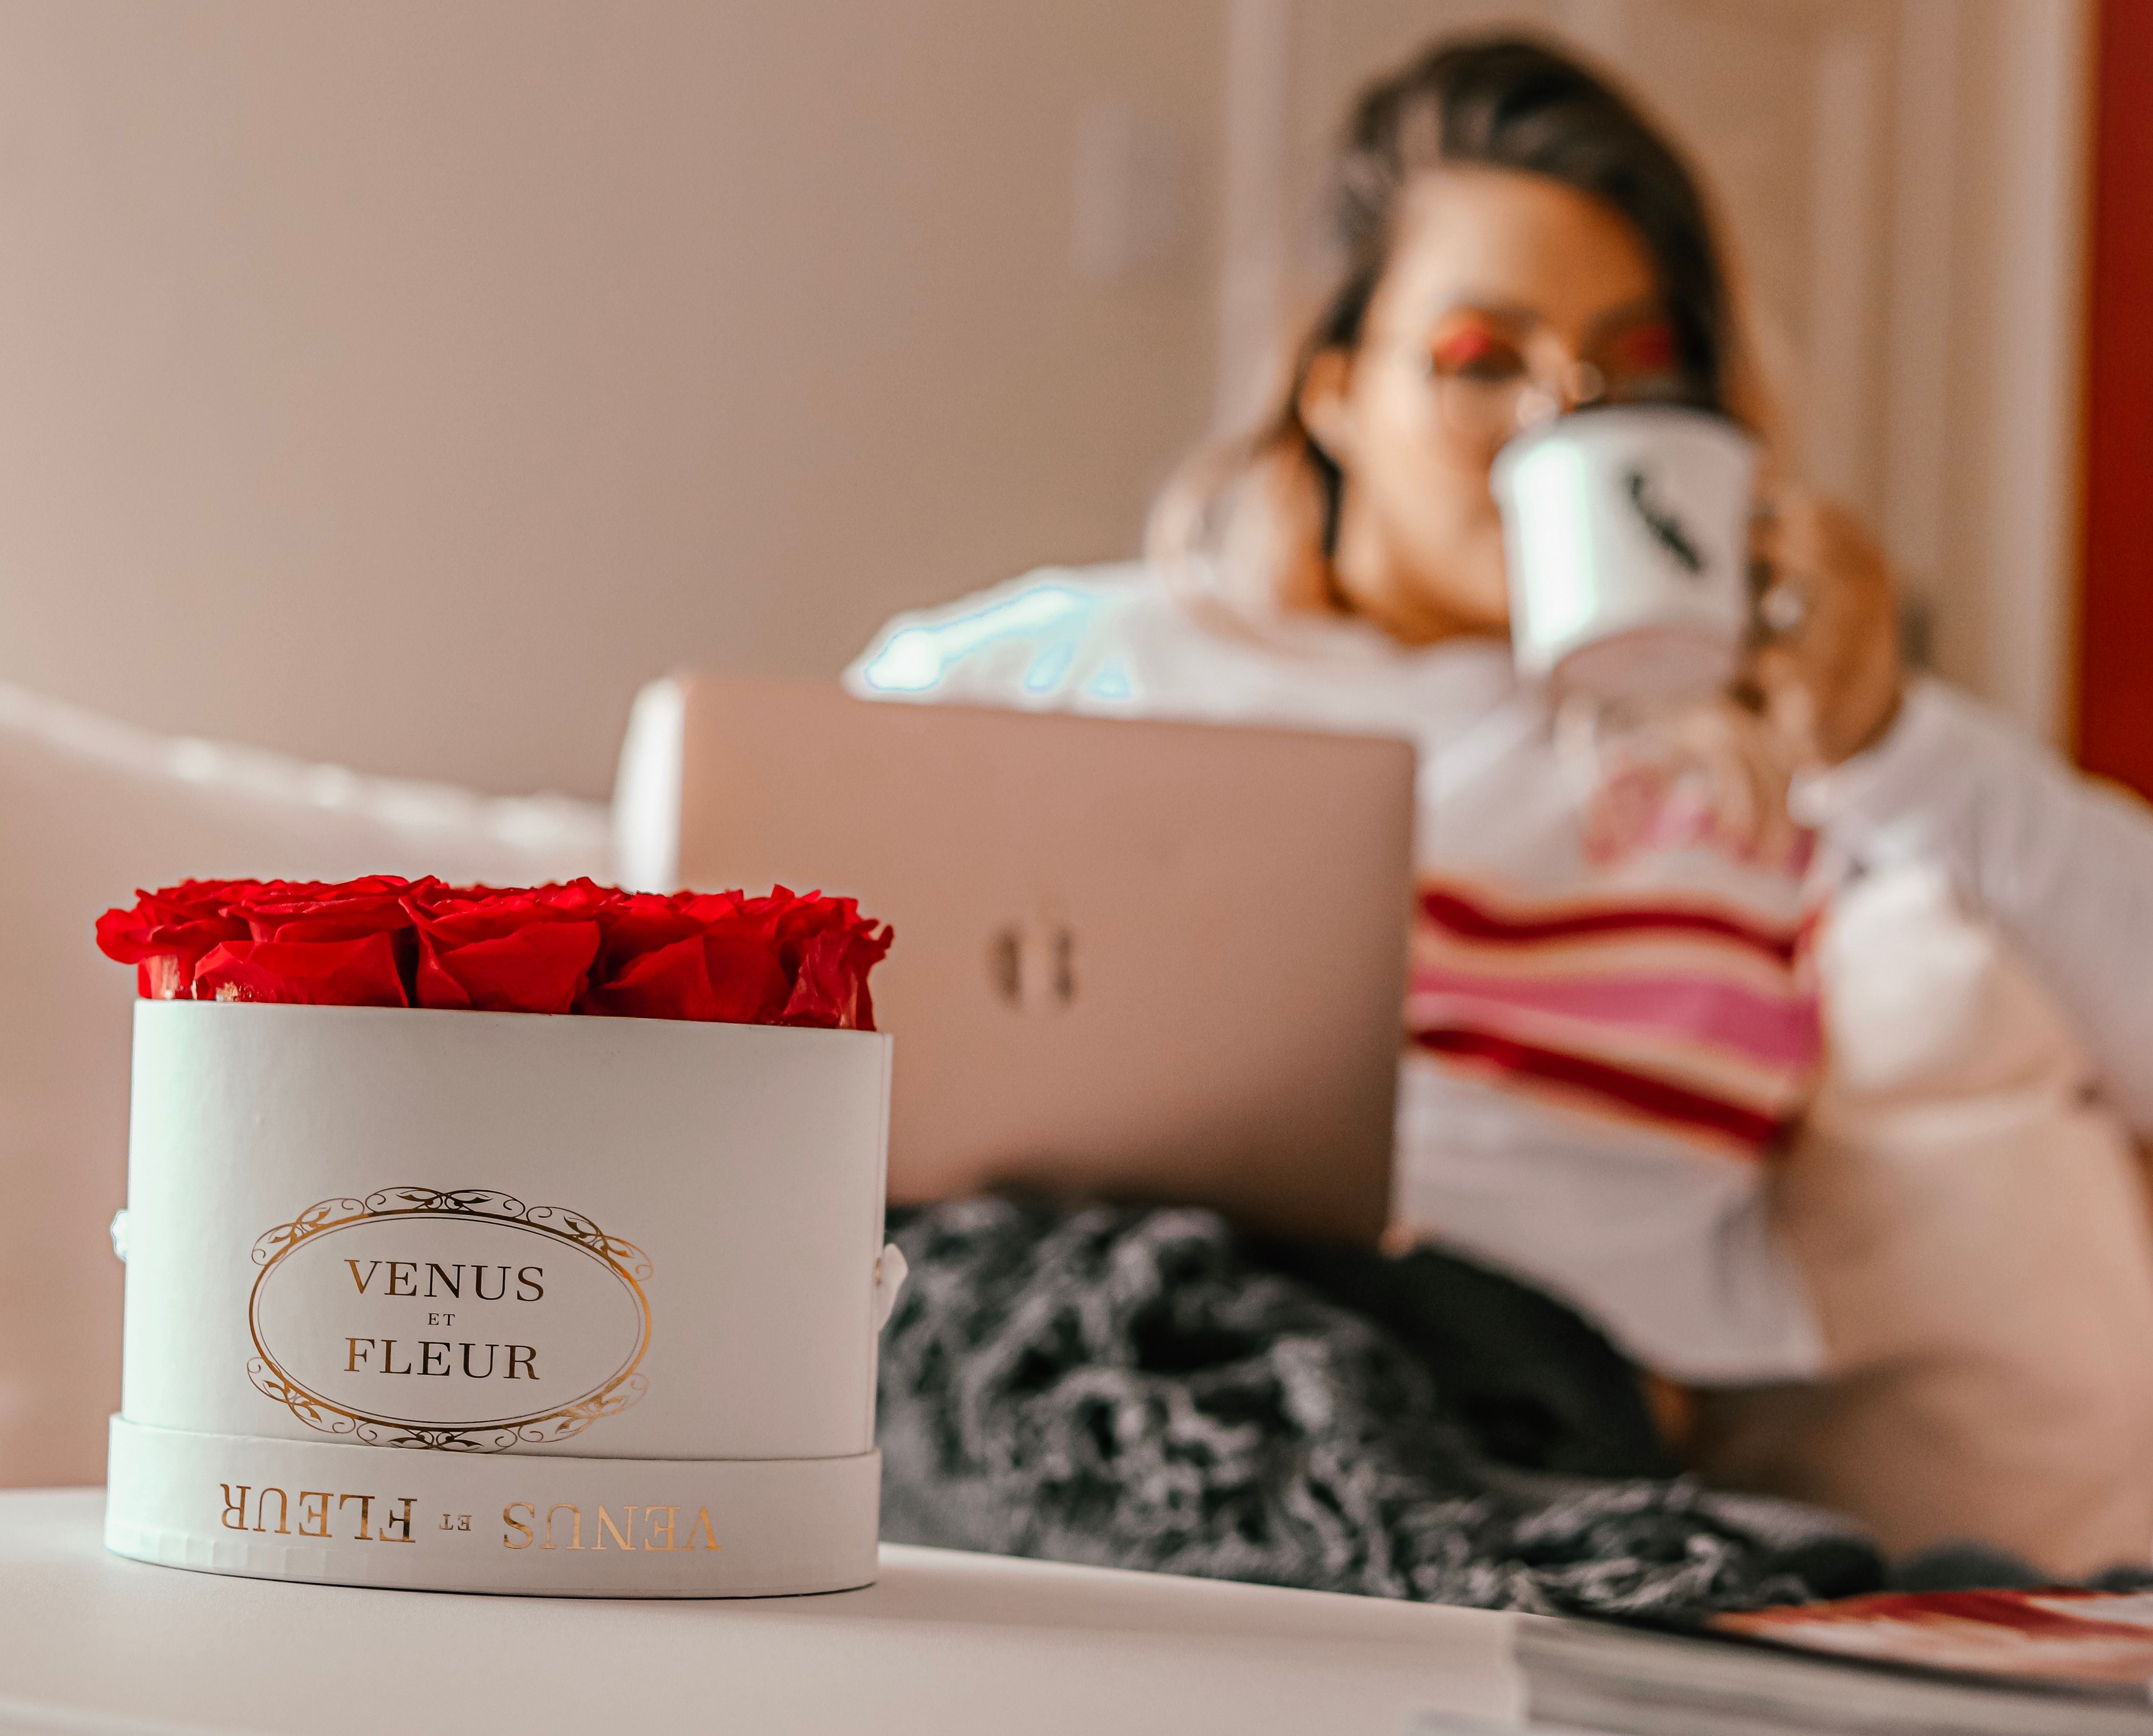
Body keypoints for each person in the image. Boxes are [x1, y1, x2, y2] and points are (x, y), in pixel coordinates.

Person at [845, 37, 2153, 1399]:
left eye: (1628, 361)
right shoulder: (1073, 667)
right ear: (1335, 387)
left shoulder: (1787, 755)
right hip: (1078, 1343)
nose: (1557, 419)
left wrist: (1884, 737)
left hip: (1520, 1418)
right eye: (1482, 358)